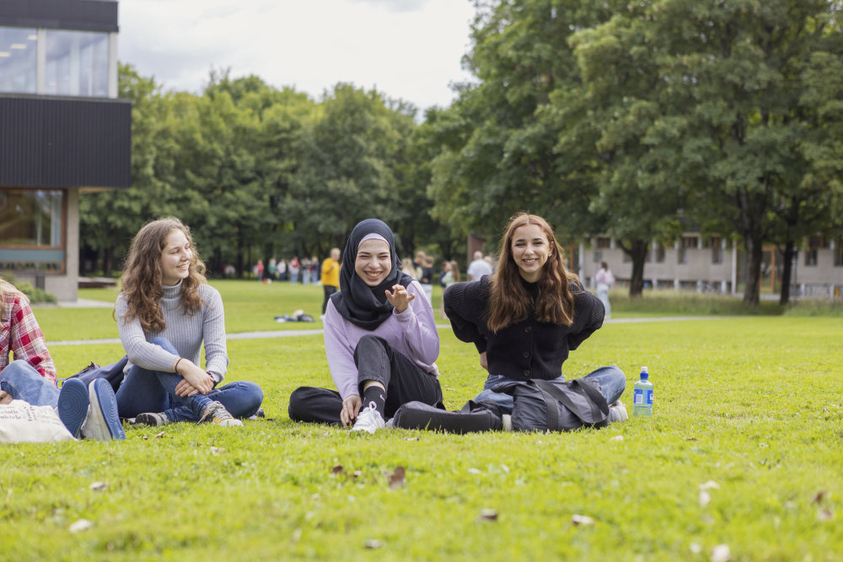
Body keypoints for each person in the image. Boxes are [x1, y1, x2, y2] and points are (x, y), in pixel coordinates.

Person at [444, 213, 626, 419]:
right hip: (504, 389)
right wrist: (482, 347)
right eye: (520, 244)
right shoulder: (490, 290)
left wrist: (567, 343)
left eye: (537, 243)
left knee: (615, 376)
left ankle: (524, 416)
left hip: (554, 388)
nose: (529, 251)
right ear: (510, 250)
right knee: (487, 402)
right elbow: (451, 298)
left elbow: (597, 315)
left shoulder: (569, 292)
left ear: (549, 248)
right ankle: (581, 414)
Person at [288, 219, 443, 434]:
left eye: (382, 257)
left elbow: (429, 354)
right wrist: (351, 394)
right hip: (370, 390)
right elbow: (340, 357)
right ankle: (387, 417)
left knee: (370, 343)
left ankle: (374, 412)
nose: (374, 265)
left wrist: (404, 314)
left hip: (416, 388)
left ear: (392, 258)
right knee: (300, 400)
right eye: (365, 256)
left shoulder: (407, 289)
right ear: (352, 257)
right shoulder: (337, 304)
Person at [114, 218, 263, 427]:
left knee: (251, 393)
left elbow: (218, 354)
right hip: (140, 396)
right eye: (175, 252)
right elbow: (136, 350)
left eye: (187, 248)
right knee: (159, 345)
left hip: (183, 393)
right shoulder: (129, 299)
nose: (186, 257)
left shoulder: (208, 297)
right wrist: (183, 365)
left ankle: (168, 417)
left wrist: (208, 378)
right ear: (153, 259)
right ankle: (208, 409)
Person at [0, 279, 124, 440]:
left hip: (6, 397)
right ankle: (86, 422)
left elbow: (39, 363)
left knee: (18, 370)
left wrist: (38, 392)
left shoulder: (11, 301)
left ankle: (63, 413)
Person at [321, 248, 341, 317]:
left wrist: (339, 285)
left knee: (334, 300)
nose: (337, 256)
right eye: (336, 255)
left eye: (338, 255)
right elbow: (324, 270)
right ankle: (324, 313)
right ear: (332, 254)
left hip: (334, 284)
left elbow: (337, 275)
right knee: (327, 299)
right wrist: (330, 268)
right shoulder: (327, 261)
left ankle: (332, 314)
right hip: (327, 284)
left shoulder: (336, 263)